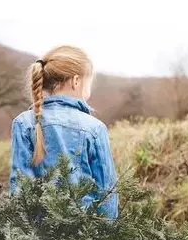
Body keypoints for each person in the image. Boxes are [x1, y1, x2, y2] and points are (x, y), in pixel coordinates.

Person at [9, 45, 118, 219]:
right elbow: (107, 192)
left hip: (37, 236)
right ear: (76, 81)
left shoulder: (23, 123)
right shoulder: (95, 128)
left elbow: (20, 187)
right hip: (83, 234)